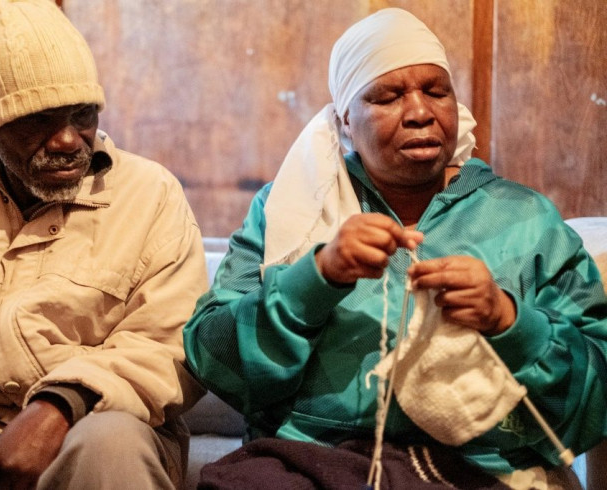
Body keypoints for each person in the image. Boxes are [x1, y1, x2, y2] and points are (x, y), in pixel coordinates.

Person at [183, 8, 607, 490]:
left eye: (435, 91)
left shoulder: (524, 219)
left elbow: (597, 399)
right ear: (345, 119)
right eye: (388, 96)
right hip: (309, 459)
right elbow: (211, 359)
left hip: (483, 466)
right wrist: (315, 279)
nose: (421, 111)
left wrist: (509, 321)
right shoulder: (290, 211)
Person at [0, 0, 207, 488]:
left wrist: (62, 404)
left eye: (83, 114)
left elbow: (171, 346)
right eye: (40, 120)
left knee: (109, 444)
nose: (70, 139)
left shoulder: (152, 195)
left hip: (104, 418)